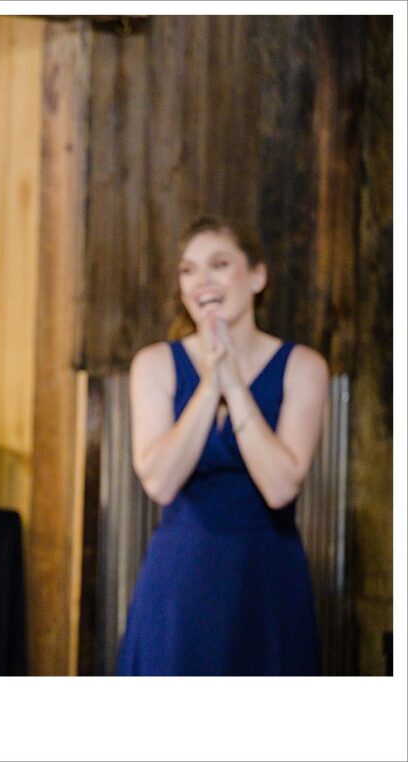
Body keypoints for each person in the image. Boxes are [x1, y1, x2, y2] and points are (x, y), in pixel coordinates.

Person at [116, 216, 327, 675]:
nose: (201, 281)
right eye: (188, 270)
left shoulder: (303, 366)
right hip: (181, 576)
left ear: (256, 276)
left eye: (218, 264)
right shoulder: (154, 365)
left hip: (268, 578)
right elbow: (160, 481)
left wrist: (236, 385)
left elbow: (279, 487)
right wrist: (211, 383)